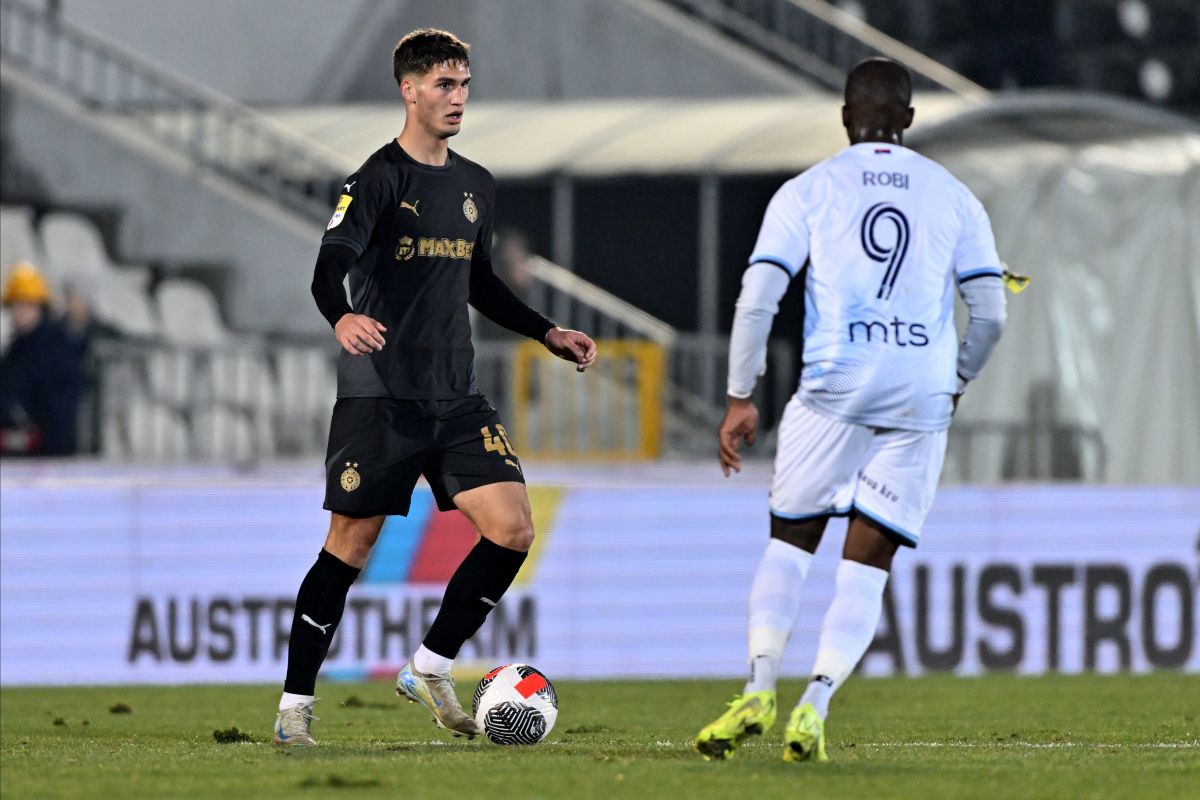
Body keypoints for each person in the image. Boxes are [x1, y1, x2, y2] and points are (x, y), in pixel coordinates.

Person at [274, 29, 596, 747]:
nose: (458, 97)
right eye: (444, 85)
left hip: (455, 397)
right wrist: (343, 314)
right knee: (347, 550)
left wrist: (547, 331)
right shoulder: (377, 178)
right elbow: (330, 263)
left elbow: (481, 282)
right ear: (409, 89)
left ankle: (429, 664)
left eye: (465, 84)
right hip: (381, 395)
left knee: (513, 528)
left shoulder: (475, 183)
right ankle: (295, 706)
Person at [694, 58, 1006, 763]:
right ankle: (816, 704)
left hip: (835, 386)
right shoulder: (953, 195)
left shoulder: (808, 191)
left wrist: (741, 396)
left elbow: (758, 299)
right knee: (867, 564)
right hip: (921, 389)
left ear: (844, 117)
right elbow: (990, 314)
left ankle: (759, 686)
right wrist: (955, 379)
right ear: (910, 119)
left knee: (790, 545)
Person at [0, 261, 86, 456]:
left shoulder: (56, 347)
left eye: (27, 305)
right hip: (23, 447)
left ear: (40, 308)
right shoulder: (15, 350)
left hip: (50, 449)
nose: (19, 311)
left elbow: (59, 409)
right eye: (15, 305)